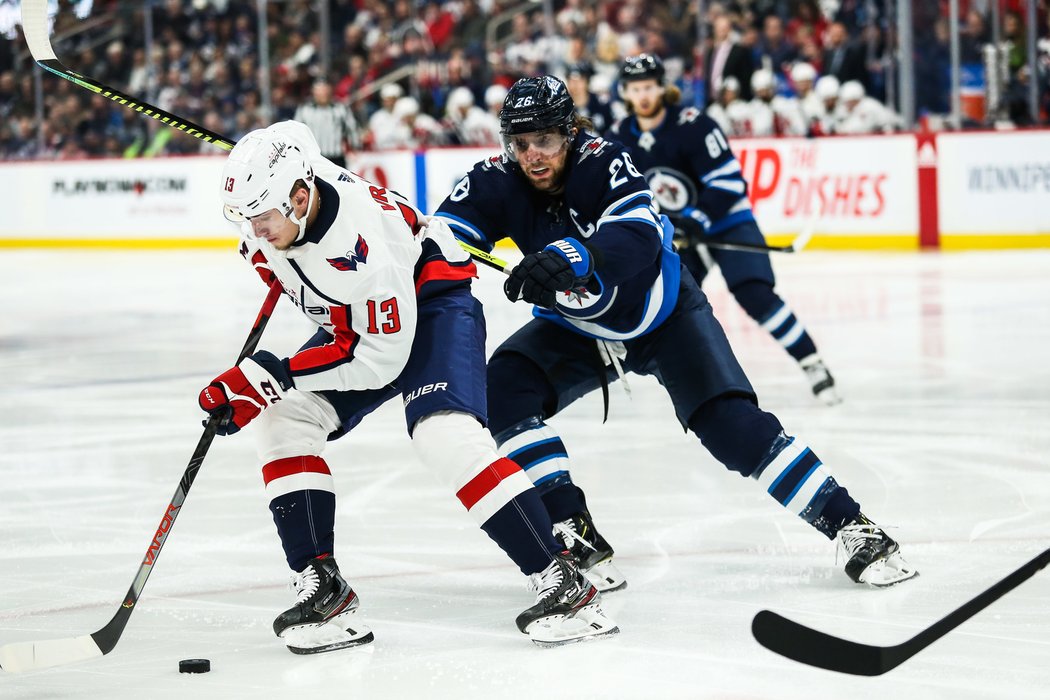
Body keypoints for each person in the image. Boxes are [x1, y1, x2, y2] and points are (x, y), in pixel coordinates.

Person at [434, 75, 916, 596]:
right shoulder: (494, 178)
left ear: (571, 132)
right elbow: (440, 235)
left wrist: (574, 256)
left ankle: (852, 526)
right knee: (501, 395)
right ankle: (574, 531)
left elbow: (638, 235)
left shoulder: (603, 158)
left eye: (546, 140)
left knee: (731, 427)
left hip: (665, 317)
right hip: (577, 327)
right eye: (520, 143)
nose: (532, 156)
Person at [200, 120, 617, 653]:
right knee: (286, 421)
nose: (254, 231)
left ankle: (564, 585)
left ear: (301, 198)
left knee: (444, 435)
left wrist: (268, 377)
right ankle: (324, 587)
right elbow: (294, 131)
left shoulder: (358, 249)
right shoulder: (290, 181)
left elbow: (377, 362)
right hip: (361, 320)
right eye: (245, 219)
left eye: (263, 218)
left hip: (434, 306)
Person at [608, 55, 840, 405]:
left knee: (755, 293)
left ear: (662, 87)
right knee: (670, 303)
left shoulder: (694, 124)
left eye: (649, 87)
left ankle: (812, 363)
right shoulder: (620, 136)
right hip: (682, 232)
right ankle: (694, 381)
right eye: (635, 88)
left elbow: (729, 181)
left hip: (726, 220)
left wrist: (698, 218)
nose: (643, 95)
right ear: (625, 92)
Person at [292, 80, 359, 168]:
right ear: (313, 92)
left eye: (325, 91)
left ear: (330, 91)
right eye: (319, 91)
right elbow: (296, 132)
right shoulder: (305, 110)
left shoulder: (340, 108)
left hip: (337, 157)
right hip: (314, 159)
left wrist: (355, 146)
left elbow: (351, 128)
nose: (322, 94)